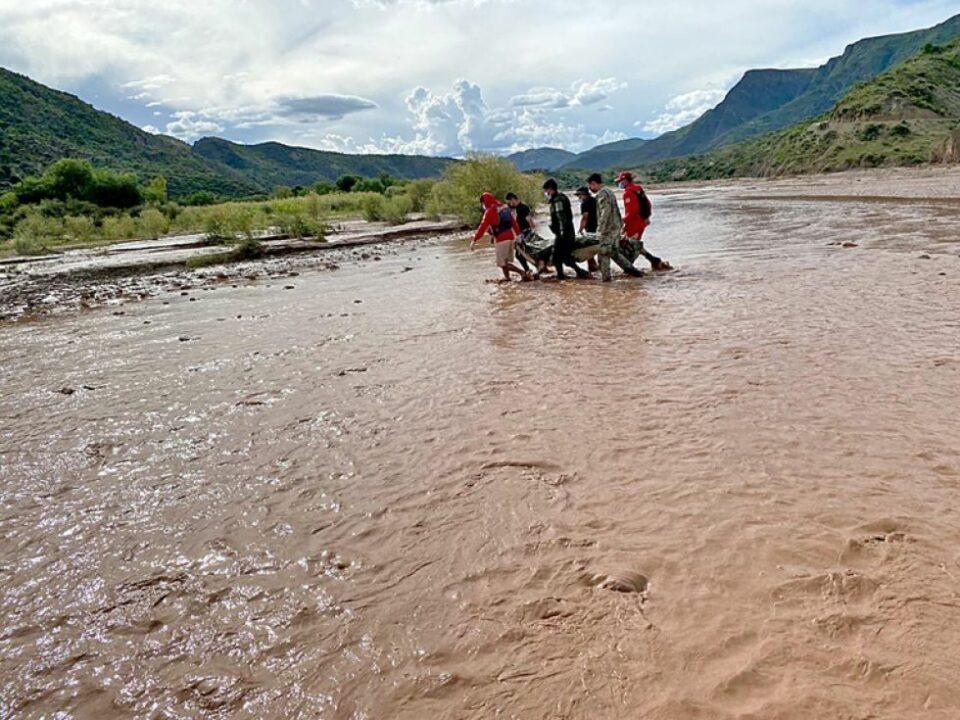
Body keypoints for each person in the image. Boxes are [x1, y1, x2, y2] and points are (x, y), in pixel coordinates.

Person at [588, 173, 643, 281]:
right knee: (614, 253)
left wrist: (600, 230)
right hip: (615, 228)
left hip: (608, 230)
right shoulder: (609, 192)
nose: (590, 188)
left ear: (594, 183)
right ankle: (634, 272)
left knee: (603, 254)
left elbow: (605, 213)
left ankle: (606, 279)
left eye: (590, 186)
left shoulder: (602, 194)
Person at [615, 171, 671, 271]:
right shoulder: (638, 189)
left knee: (630, 245)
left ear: (625, 180)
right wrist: (646, 217)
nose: (620, 183)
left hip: (634, 222)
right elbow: (648, 204)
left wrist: (623, 222)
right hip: (641, 220)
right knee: (634, 244)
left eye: (620, 181)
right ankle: (654, 261)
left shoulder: (628, 193)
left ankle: (630, 268)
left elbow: (632, 212)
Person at [471, 192, 532, 282]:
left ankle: (523, 273)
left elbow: (482, 226)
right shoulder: (504, 207)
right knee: (505, 261)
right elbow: (513, 222)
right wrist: (518, 235)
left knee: (502, 263)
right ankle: (507, 277)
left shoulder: (489, 211)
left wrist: (474, 240)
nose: (483, 205)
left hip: (501, 239)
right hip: (511, 237)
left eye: (483, 203)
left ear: (485, 202)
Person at [543, 178, 589, 280]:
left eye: (546, 191)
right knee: (563, 257)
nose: (546, 193)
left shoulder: (558, 200)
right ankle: (575, 273)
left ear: (551, 189)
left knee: (557, 257)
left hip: (563, 233)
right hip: (566, 232)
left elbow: (561, 218)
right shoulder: (561, 198)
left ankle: (565, 276)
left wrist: (561, 233)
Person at [505, 192, 539, 276]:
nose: (509, 203)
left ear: (513, 199)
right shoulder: (514, 209)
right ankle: (530, 270)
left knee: (522, 254)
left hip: (526, 233)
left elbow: (529, 219)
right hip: (520, 234)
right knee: (521, 254)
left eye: (509, 201)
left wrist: (533, 230)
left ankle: (530, 270)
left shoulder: (523, 207)